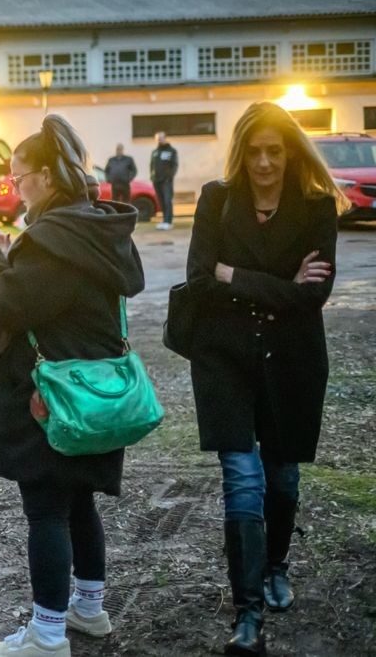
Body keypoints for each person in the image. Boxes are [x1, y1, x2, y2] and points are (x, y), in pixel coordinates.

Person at [0, 115, 144, 657]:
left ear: (44, 176)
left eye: (18, 178)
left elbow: (12, 303)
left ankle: (46, 634)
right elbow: (53, 298)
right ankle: (87, 610)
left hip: (51, 395)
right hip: (91, 388)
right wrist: (15, 252)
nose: (14, 188)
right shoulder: (94, 228)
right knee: (79, 500)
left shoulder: (54, 236)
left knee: (46, 510)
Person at [185, 102, 340, 657]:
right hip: (224, 359)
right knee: (242, 479)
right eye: (255, 152)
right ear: (241, 152)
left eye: (275, 151)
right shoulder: (216, 200)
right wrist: (277, 283)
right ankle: (247, 614)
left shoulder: (318, 207)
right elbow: (199, 280)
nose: (266, 162)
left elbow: (313, 294)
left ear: (291, 151)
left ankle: (276, 564)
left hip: (293, 360)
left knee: (282, 479)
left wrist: (234, 274)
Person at [150, 132, 179, 230]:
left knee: (167, 201)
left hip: (167, 181)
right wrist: (152, 177)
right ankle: (164, 221)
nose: (159, 140)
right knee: (161, 201)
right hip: (156, 181)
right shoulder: (155, 152)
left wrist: (169, 177)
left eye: (161, 138)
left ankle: (168, 221)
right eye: (157, 138)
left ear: (165, 138)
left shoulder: (171, 151)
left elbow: (174, 165)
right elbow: (151, 166)